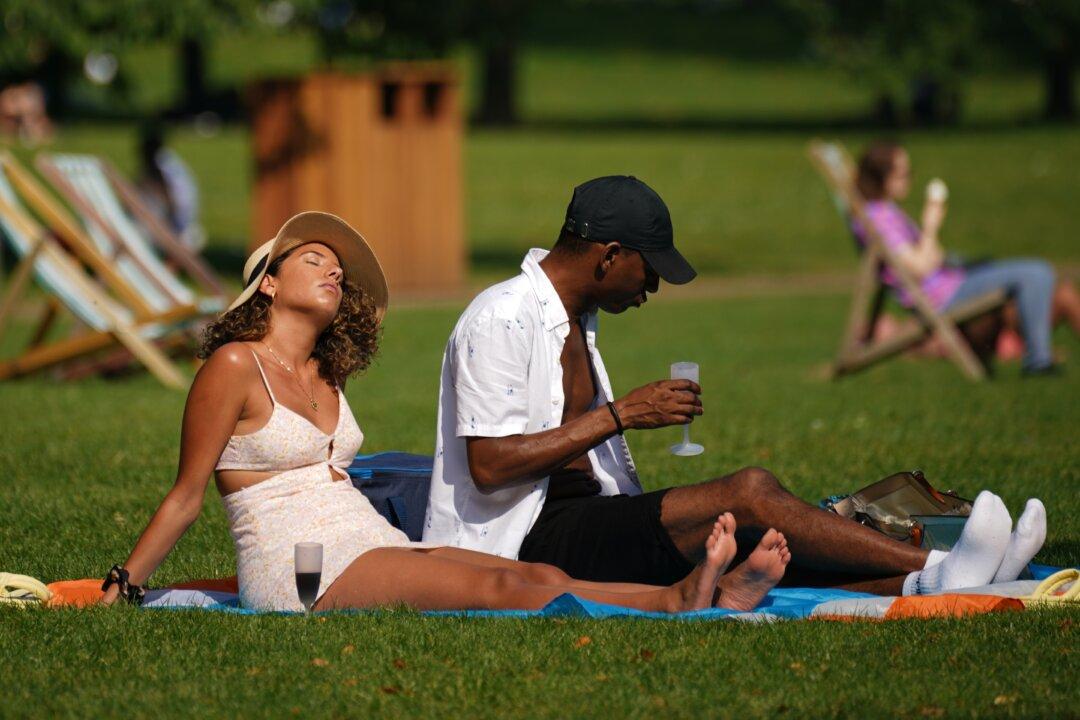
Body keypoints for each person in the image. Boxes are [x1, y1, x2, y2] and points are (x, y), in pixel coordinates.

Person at [102, 211, 791, 613]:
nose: (333, 271)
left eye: (337, 268)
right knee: (494, 587)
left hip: (366, 538)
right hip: (296, 564)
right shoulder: (233, 366)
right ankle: (679, 601)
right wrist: (125, 584)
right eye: (313, 260)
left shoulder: (324, 374)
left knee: (533, 574)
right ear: (269, 285)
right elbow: (187, 495)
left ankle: (693, 594)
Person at [423, 175, 1048, 597]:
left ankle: (943, 581)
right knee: (748, 493)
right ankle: (941, 565)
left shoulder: (573, 317)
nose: (653, 288)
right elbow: (490, 466)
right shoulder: (501, 318)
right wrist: (621, 414)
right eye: (649, 270)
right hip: (521, 542)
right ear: (609, 256)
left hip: (585, 519)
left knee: (763, 539)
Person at [854, 140, 1080, 376]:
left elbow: (934, 256)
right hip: (944, 295)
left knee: (1048, 284)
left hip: (952, 282)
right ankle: (1038, 361)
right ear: (881, 177)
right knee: (1037, 272)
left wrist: (931, 244)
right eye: (903, 174)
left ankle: (1038, 357)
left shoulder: (887, 212)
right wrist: (930, 226)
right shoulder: (879, 219)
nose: (909, 179)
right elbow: (920, 267)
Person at [136, 122, 205, 251]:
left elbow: (170, 200)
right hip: (188, 224)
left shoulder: (158, 168)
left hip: (177, 227)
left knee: (138, 227)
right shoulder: (170, 162)